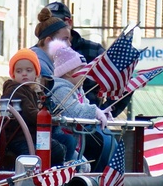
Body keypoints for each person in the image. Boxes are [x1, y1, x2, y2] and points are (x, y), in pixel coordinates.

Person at [44, 41, 116, 170]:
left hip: (75, 139)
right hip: (64, 140)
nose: (86, 74)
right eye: (81, 70)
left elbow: (85, 105)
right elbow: (72, 111)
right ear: (68, 73)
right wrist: (95, 111)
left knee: (85, 166)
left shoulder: (78, 89)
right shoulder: (61, 89)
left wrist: (101, 112)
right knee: (82, 167)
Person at [2, 48, 74, 166]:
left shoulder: (35, 90)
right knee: (57, 149)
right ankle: (50, 175)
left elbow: (43, 109)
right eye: (19, 71)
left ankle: (58, 170)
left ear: (36, 73)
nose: (24, 73)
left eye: (28, 70)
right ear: (13, 75)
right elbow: (30, 114)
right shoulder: (16, 90)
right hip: (20, 137)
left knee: (67, 141)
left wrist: (52, 111)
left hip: (34, 134)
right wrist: (48, 117)